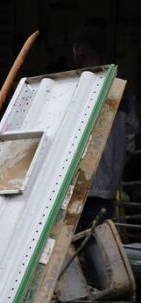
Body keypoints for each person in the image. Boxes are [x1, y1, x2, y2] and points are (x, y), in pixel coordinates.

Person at [72, 26, 138, 228]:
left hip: (75, 187)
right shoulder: (122, 92)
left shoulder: (77, 88)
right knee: (99, 247)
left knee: (70, 248)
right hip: (107, 188)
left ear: (80, 52)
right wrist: (114, 167)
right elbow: (130, 141)